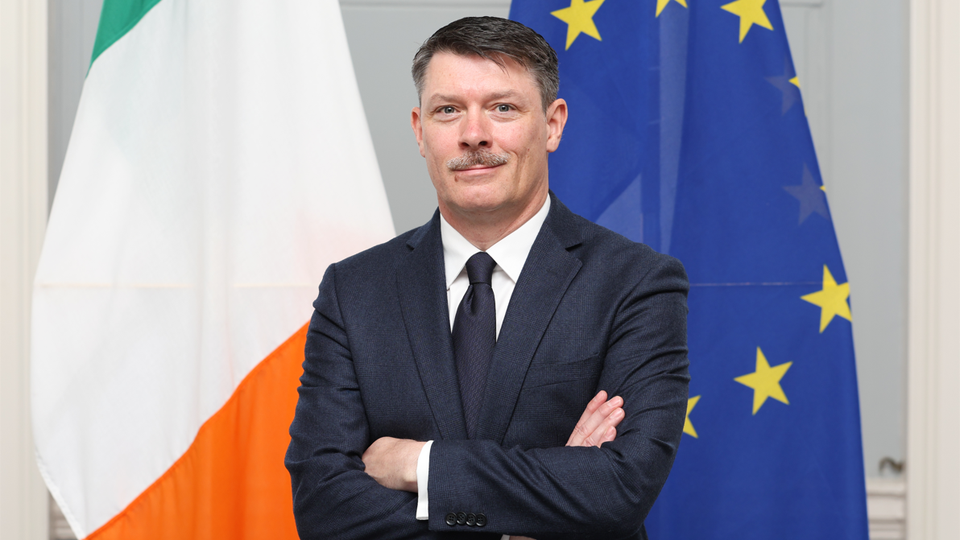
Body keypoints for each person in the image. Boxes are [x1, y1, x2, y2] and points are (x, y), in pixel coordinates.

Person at [285, 16, 689, 540]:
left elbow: (620, 488)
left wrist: (418, 466)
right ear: (419, 131)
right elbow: (322, 507)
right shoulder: (353, 291)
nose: (474, 135)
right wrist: (541, 509)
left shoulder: (636, 284)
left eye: (502, 108)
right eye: (448, 110)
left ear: (553, 124)